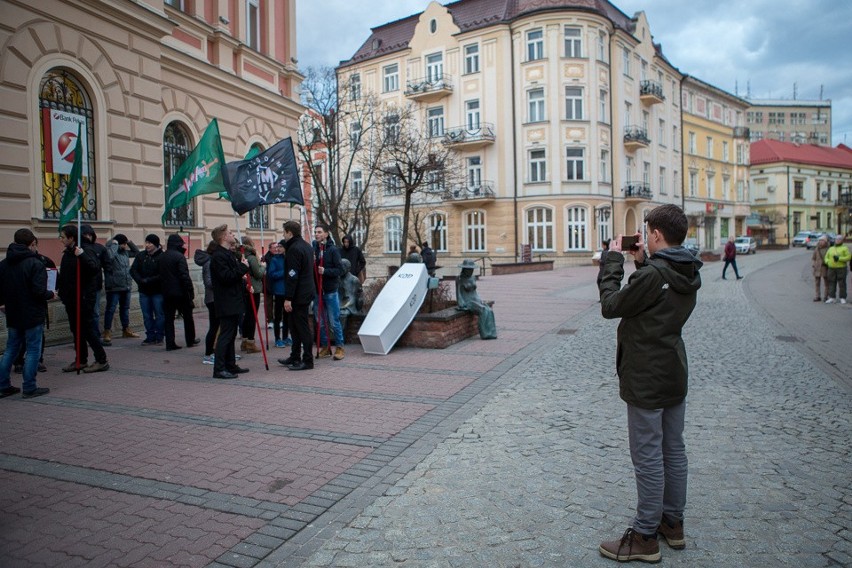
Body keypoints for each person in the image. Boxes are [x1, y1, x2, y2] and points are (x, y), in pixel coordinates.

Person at [597, 204, 702, 563]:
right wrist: (643, 263)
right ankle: (672, 523)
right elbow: (659, 296)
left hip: (646, 376)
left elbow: (611, 305)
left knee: (648, 456)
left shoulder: (655, 275)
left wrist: (612, 261)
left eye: (647, 231)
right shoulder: (686, 268)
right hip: (673, 371)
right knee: (674, 450)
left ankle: (644, 535)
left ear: (656, 234)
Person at [0, 229, 57, 398]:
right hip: (32, 312)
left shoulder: (4, 263)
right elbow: (39, 291)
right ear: (32, 243)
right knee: (33, 350)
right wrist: (51, 294)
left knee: (10, 349)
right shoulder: (35, 263)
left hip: (13, 311)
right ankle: (29, 387)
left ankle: (3, 385)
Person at [57, 225, 110, 373]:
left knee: (87, 329)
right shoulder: (68, 253)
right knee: (76, 330)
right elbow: (66, 275)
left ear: (71, 238)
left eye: (62, 237)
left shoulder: (86, 250)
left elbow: (94, 268)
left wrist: (82, 255)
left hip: (84, 297)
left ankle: (101, 359)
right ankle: (80, 360)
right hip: (71, 298)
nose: (61, 240)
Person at [209, 224, 250, 379]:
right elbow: (226, 277)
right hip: (226, 301)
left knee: (231, 334)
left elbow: (233, 277)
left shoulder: (227, 254)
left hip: (233, 299)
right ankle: (219, 368)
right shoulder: (219, 256)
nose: (233, 234)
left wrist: (243, 280)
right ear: (223, 237)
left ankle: (230, 365)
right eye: (230, 233)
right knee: (226, 335)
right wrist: (242, 268)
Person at [13, 241, 55, 374]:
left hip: (32, 305)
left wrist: (50, 291)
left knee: (35, 335)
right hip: (24, 305)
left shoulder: (43, 261)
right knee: (23, 337)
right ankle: (21, 363)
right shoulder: (13, 262)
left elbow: (53, 279)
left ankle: (37, 360)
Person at [278, 220, 315, 371]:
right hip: (306, 292)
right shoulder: (306, 246)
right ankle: (295, 356)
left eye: (284, 232)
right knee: (294, 326)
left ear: (289, 233)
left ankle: (307, 360)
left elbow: (292, 275)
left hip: (299, 295)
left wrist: (288, 298)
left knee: (301, 327)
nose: (283, 235)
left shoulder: (294, 249)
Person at [159, 234, 197, 351]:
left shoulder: (162, 256)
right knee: (187, 316)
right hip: (181, 292)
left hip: (166, 292)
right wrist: (190, 291)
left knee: (169, 318)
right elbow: (184, 276)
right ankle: (190, 340)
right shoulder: (179, 257)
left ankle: (170, 343)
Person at [313, 224, 345, 361]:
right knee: (320, 321)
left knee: (334, 321)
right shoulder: (314, 249)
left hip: (330, 290)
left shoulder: (333, 250)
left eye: (319, 232)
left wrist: (325, 271)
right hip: (317, 290)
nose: (317, 234)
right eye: (315, 232)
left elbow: (340, 270)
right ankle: (325, 346)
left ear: (326, 234)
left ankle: (339, 347)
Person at [102, 233, 139, 345]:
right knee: (111, 309)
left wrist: (130, 242)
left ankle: (126, 329)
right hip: (114, 287)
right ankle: (107, 331)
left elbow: (136, 252)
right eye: (124, 244)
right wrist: (114, 244)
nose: (125, 246)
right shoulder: (110, 251)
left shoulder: (125, 253)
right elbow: (110, 257)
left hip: (126, 285)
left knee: (125, 308)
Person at [130, 234, 165, 346]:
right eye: (146, 242)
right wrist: (140, 280)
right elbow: (133, 270)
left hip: (157, 291)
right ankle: (150, 336)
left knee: (159, 314)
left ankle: (159, 336)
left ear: (156, 244)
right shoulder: (141, 256)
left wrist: (149, 280)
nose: (147, 245)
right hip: (144, 291)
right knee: (147, 315)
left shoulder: (161, 257)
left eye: (150, 243)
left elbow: (162, 274)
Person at [80, 224, 111, 341]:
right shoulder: (77, 248)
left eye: (89, 234)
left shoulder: (99, 248)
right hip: (80, 285)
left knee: (95, 313)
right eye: (85, 235)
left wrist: (108, 282)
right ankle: (81, 337)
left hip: (95, 286)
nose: (88, 237)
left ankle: (95, 337)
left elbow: (107, 266)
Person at [456, 259, 497, 339]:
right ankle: (485, 333)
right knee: (483, 310)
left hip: (476, 300)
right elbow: (458, 293)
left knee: (489, 310)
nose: (471, 271)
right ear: (464, 269)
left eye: (472, 269)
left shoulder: (473, 277)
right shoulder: (459, 279)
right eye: (469, 269)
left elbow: (475, 292)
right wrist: (461, 304)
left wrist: (480, 300)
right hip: (467, 302)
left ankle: (492, 332)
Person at [239, 236, 264, 354]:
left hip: (246, 288)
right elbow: (258, 274)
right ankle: (250, 341)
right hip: (253, 288)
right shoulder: (251, 258)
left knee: (247, 315)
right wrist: (263, 267)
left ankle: (245, 340)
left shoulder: (241, 256)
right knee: (252, 315)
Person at [194, 240, 219, 365]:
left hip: (216, 298)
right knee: (214, 327)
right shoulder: (209, 263)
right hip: (212, 299)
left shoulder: (212, 261)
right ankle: (208, 354)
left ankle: (215, 352)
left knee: (218, 327)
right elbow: (209, 282)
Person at [266, 240, 291, 348]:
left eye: (281, 246)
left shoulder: (290, 259)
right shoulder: (275, 259)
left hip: (288, 291)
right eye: (278, 246)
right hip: (279, 291)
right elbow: (271, 274)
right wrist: (284, 272)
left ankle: (285, 337)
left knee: (287, 316)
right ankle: (277, 338)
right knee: (278, 316)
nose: (278, 248)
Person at [824, 235, 851, 304]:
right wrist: (828, 262)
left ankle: (842, 297)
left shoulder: (844, 248)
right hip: (831, 268)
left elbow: (848, 257)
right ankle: (832, 297)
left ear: (842, 241)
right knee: (831, 282)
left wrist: (839, 258)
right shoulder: (831, 248)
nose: (837, 240)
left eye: (839, 239)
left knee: (842, 283)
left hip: (841, 268)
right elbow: (826, 257)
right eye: (836, 239)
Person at [811, 235, 830, 302]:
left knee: (826, 283)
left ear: (825, 241)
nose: (820, 242)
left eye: (822, 240)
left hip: (825, 267)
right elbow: (813, 258)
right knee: (817, 283)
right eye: (820, 240)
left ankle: (826, 296)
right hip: (817, 268)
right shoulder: (817, 249)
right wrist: (813, 264)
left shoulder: (829, 249)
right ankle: (817, 296)